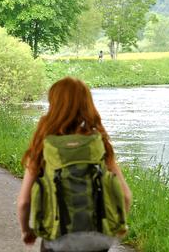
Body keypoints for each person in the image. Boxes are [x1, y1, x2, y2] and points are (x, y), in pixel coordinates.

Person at [17, 77, 132, 252]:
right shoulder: (98, 143)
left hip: (57, 238)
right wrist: (118, 225)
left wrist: (27, 231)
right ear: (87, 104)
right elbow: (125, 195)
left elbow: (24, 201)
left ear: (54, 104)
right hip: (97, 238)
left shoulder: (45, 143)